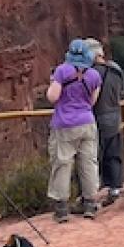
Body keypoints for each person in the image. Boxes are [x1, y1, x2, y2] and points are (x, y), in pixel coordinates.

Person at [46, 39, 103, 223]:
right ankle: (90, 204)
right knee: (88, 163)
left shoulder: (62, 71)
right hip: (87, 123)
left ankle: (62, 209)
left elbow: (52, 97)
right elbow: (92, 101)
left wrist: (53, 83)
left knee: (63, 164)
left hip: (64, 124)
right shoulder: (94, 75)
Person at [84, 38, 124, 206]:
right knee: (113, 154)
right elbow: (121, 91)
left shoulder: (92, 73)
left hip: (97, 118)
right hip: (115, 117)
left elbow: (87, 97)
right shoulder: (116, 70)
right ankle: (115, 189)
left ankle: (90, 195)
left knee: (91, 157)